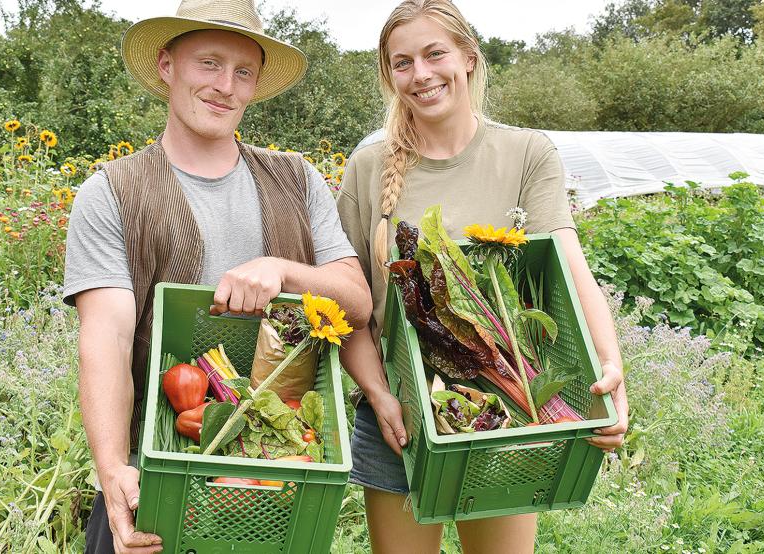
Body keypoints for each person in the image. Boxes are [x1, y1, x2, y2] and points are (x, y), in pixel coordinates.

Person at [61, 1, 371, 552]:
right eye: (208, 63)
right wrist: (112, 471)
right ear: (166, 66)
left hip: (282, 469)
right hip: (160, 466)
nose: (225, 85)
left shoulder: (297, 181)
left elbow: (357, 302)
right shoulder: (111, 193)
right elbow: (105, 338)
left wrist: (283, 270)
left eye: (243, 71)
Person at [335, 1, 630, 552]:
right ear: (389, 76)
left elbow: (569, 264)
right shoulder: (369, 167)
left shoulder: (525, 153)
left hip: (506, 411)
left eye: (434, 54)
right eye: (402, 63)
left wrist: (612, 369)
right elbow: (349, 301)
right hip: (397, 412)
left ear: (468, 58)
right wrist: (377, 394)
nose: (420, 74)